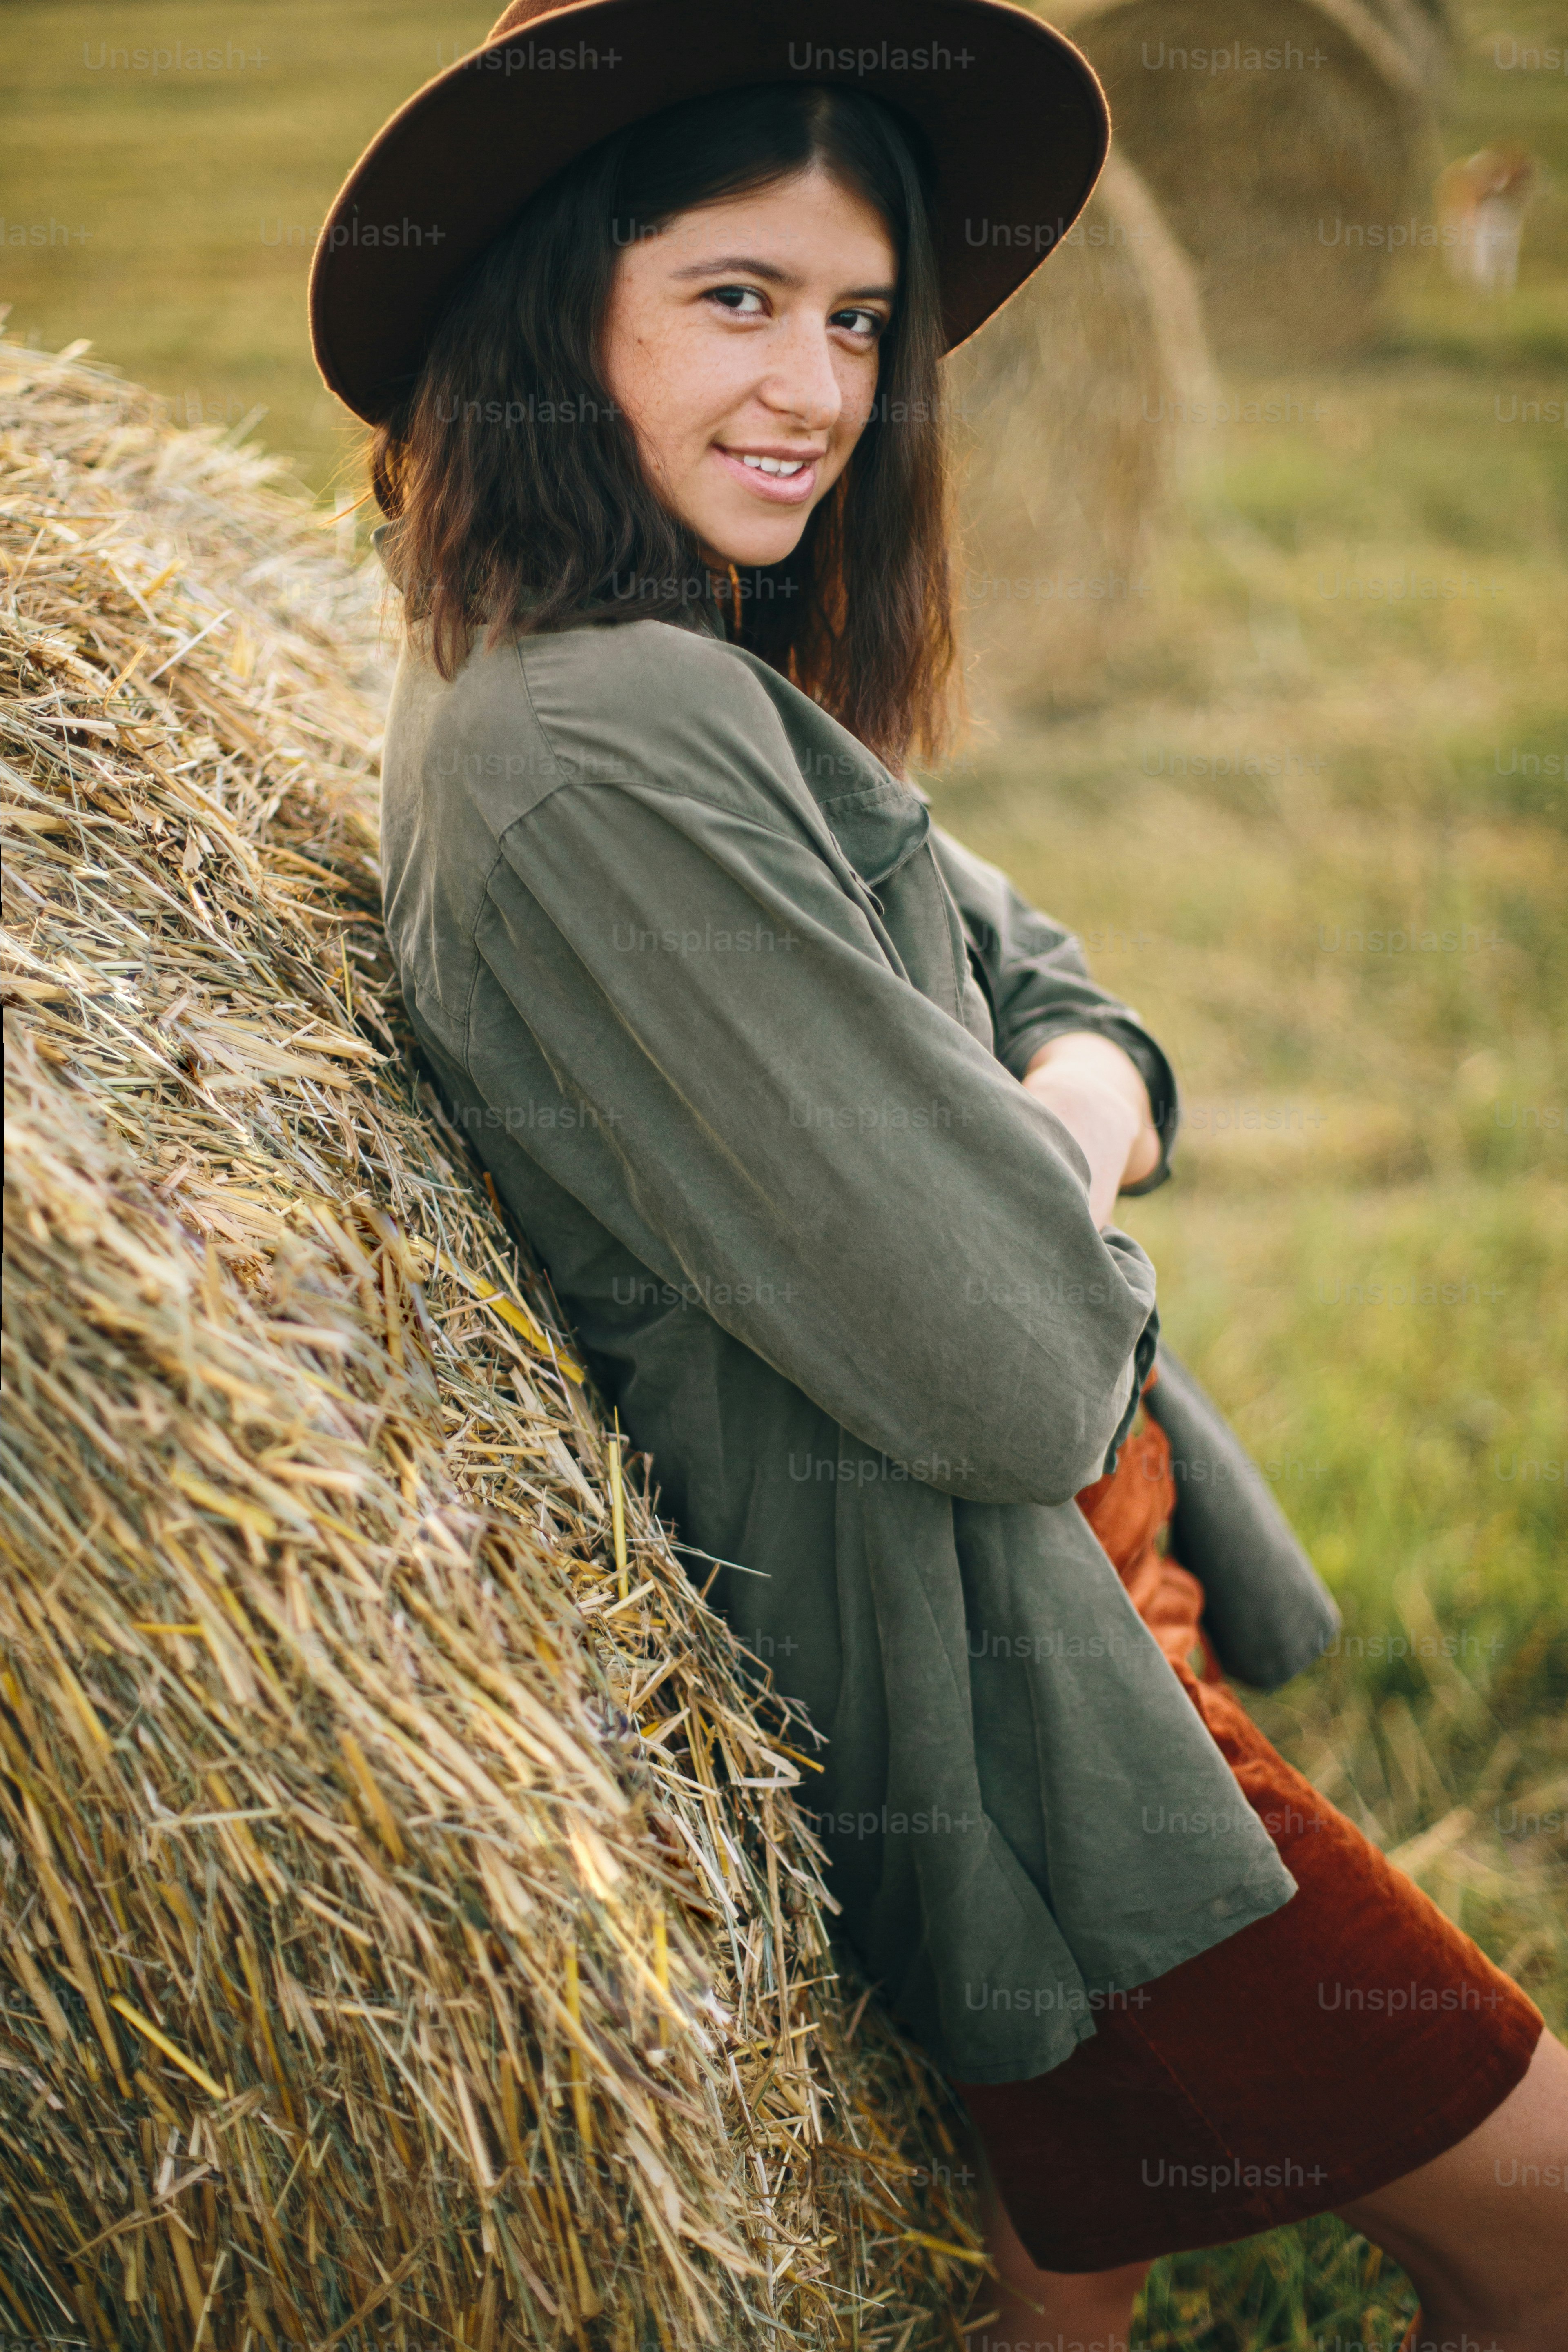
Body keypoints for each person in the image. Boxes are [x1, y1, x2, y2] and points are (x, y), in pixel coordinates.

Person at [311, 7, 1568, 2346]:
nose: (813, 385)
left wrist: (1053, 1114)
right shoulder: (600, 740)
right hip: (1025, 1726)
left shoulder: (638, 658)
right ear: (551, 303)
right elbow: (1008, 1363)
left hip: (1041, 1649)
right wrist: (1061, 1145)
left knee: (1066, 2279)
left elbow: (1050, 981)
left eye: (858, 320)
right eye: (733, 299)